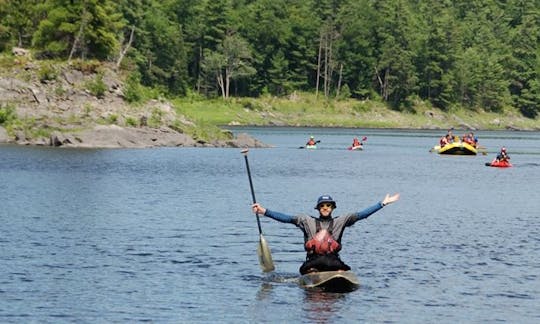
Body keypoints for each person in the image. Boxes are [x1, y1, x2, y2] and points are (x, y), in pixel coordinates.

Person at [251, 193, 400, 274]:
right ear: (318, 208)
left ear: (332, 207)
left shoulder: (342, 220)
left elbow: (362, 215)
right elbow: (287, 219)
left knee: (340, 267)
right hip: (313, 261)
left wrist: (382, 203)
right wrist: (264, 211)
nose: (325, 208)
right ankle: (313, 274)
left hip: (332, 260)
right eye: (322, 206)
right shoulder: (306, 220)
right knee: (313, 267)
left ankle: (338, 273)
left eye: (328, 205)